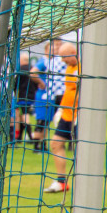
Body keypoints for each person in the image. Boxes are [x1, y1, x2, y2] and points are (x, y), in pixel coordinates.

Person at [45, 42, 79, 194]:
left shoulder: (85, 66)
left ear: (73, 52)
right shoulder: (69, 67)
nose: (62, 60)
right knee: (55, 144)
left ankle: (84, 182)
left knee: (82, 150)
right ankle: (61, 182)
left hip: (80, 115)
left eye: (64, 57)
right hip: (67, 114)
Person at [30, 39, 66, 152]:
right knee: (41, 120)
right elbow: (33, 72)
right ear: (47, 48)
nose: (57, 48)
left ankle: (43, 145)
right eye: (55, 46)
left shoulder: (57, 61)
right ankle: (36, 146)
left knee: (47, 121)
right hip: (43, 96)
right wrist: (41, 83)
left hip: (52, 96)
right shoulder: (44, 61)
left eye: (59, 46)